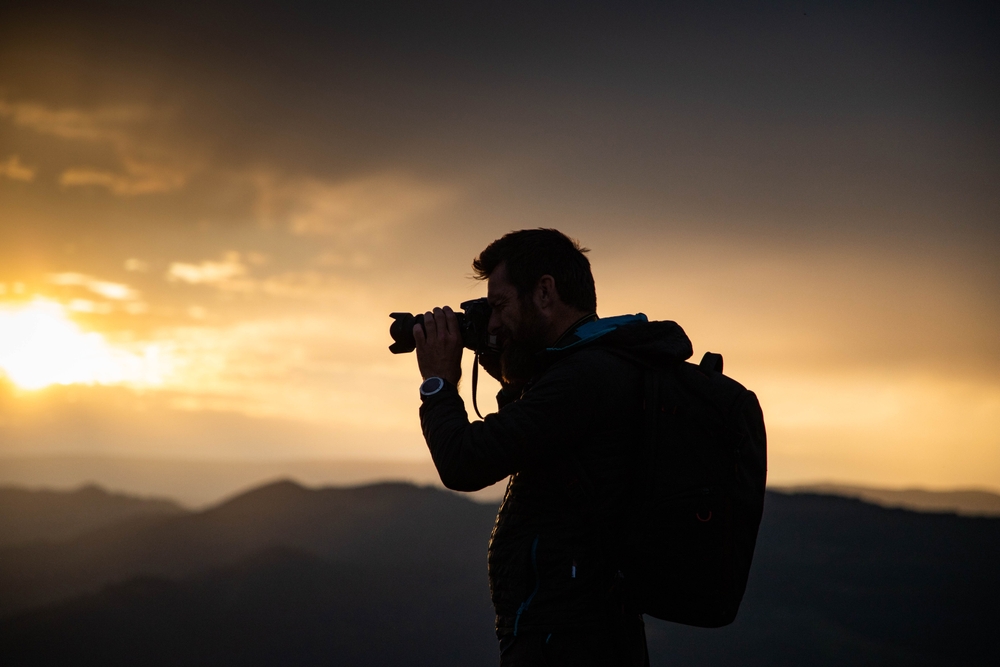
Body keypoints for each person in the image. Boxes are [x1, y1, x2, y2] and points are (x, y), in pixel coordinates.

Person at [414, 229, 693, 667]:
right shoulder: (602, 365)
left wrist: (438, 383)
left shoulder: (583, 377)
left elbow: (463, 462)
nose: (493, 323)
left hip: (566, 641)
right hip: (584, 633)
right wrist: (507, 367)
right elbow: (537, 438)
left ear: (545, 292)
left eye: (500, 305)